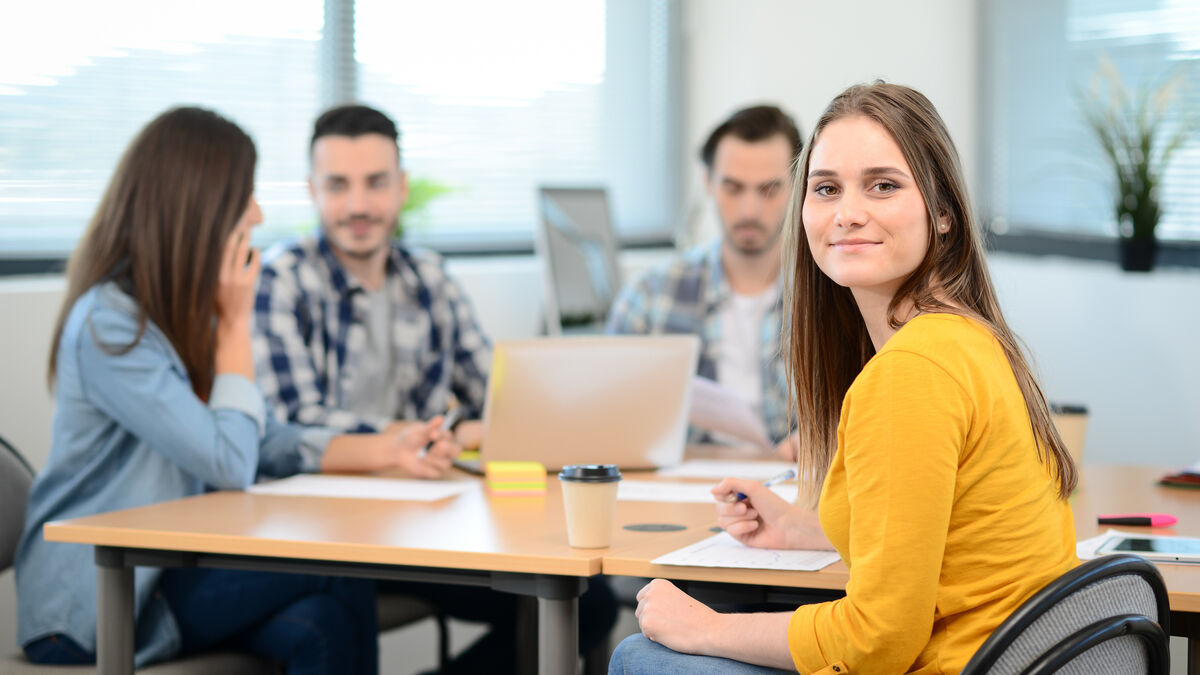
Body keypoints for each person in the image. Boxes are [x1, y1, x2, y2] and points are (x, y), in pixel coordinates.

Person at [608, 82, 1080, 674]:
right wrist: (809, 530)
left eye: (883, 185)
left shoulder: (910, 373)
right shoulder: (969, 338)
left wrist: (705, 627)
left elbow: (878, 640)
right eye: (826, 188)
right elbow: (947, 539)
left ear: (943, 216)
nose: (847, 213)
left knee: (639, 655)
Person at [15, 107, 458, 673]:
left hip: (174, 575)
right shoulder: (109, 326)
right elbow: (230, 460)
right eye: (243, 195)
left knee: (322, 623)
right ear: (196, 207)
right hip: (96, 604)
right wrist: (234, 325)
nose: (257, 212)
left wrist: (388, 449)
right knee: (339, 561)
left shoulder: (181, 310)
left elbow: (265, 438)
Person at [254, 103, 616, 674]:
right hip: (327, 535)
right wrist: (417, 437)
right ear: (311, 190)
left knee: (586, 604)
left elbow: (495, 399)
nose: (357, 206)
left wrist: (470, 427)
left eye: (375, 183)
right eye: (337, 185)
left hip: (424, 523)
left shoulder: (428, 277)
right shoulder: (282, 279)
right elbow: (292, 421)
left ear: (401, 187)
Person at [605, 105, 802, 458]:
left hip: (795, 489)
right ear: (708, 182)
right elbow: (608, 417)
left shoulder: (835, 296)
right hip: (684, 487)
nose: (749, 211)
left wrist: (826, 442)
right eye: (733, 188)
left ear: (798, 185)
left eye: (769, 189)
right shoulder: (649, 296)